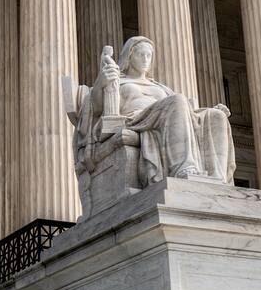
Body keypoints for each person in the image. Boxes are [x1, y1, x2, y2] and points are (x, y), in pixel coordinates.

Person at [82, 36, 235, 186]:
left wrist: (205, 113)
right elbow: (95, 108)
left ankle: (217, 178)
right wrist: (101, 83)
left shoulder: (161, 88)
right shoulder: (118, 81)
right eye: (140, 54)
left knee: (216, 116)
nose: (145, 59)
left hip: (163, 118)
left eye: (149, 55)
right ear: (129, 56)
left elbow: (184, 114)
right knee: (177, 100)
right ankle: (183, 168)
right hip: (135, 119)